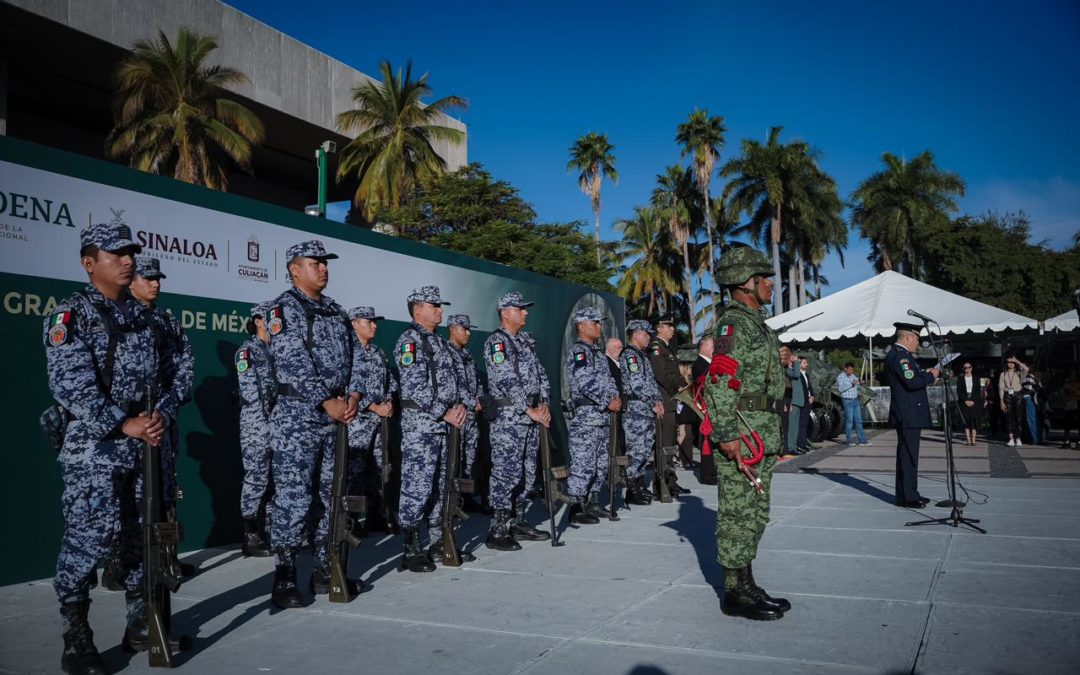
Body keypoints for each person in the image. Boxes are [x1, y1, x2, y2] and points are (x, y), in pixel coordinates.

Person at [44, 222, 166, 673]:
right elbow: (70, 385)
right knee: (87, 541)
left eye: (130, 252)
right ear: (89, 262)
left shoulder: (143, 318)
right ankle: (76, 640)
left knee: (137, 539)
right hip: (94, 448)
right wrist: (124, 423)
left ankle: (139, 626)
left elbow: (166, 379)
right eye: (116, 254)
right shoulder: (70, 315)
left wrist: (158, 416)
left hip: (143, 445)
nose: (128, 260)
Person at [266, 240, 366, 607]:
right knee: (293, 498)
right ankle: (285, 575)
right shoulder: (283, 309)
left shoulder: (337, 312)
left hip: (337, 418)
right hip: (298, 418)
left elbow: (356, 359)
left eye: (325, 263)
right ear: (295, 269)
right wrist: (327, 401)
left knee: (332, 496)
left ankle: (327, 570)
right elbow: (290, 361)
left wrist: (352, 397)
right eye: (315, 263)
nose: (323, 268)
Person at [703, 248, 789, 621]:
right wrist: (726, 434)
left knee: (754, 513)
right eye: (764, 277)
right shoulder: (733, 325)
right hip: (742, 432)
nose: (771, 283)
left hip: (761, 432)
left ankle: (746, 583)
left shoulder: (757, 324)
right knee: (738, 514)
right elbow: (720, 380)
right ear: (745, 283)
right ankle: (734, 593)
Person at [128, 256, 196, 578]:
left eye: (158, 278)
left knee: (166, 491)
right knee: (128, 497)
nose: (156, 284)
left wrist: (165, 409)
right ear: (130, 279)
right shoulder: (117, 316)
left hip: (161, 420)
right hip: (126, 426)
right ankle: (123, 564)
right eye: (148, 278)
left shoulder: (167, 321)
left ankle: (167, 558)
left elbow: (185, 365)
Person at [395, 286, 471, 569]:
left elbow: (456, 381)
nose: (440, 310)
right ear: (418, 310)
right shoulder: (410, 341)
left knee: (442, 486)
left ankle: (439, 541)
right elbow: (413, 386)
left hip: (445, 426)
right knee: (417, 486)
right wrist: (444, 411)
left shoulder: (440, 343)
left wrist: (460, 405)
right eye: (434, 305)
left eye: (440, 305)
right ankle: (411, 548)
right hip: (421, 427)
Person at [482, 291, 552, 549]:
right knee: (506, 473)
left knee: (526, 473)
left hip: (530, 417)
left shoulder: (524, 342)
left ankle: (518, 522)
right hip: (509, 419)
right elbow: (505, 379)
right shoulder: (497, 343)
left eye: (525, 308)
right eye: (520, 308)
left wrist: (544, 403)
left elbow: (541, 374)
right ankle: (498, 530)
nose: (525, 312)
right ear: (505, 312)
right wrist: (527, 409)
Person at [565, 307, 620, 524]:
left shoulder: (597, 352)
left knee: (600, 462)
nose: (600, 326)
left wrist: (615, 397)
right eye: (595, 322)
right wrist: (609, 399)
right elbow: (585, 382)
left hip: (603, 416)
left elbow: (609, 380)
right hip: (587, 415)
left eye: (600, 322)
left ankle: (593, 501)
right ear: (581, 326)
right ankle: (577, 507)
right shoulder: (579, 352)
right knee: (583, 462)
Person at [347, 306, 397, 534]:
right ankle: (351, 520)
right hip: (357, 421)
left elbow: (389, 383)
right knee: (354, 471)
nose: (374, 325)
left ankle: (376, 516)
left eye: (375, 321)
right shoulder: (347, 352)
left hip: (379, 423)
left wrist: (388, 402)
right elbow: (347, 386)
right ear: (355, 324)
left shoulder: (378, 353)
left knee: (378, 470)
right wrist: (373, 406)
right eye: (369, 321)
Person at [885, 322, 941, 508]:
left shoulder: (902, 356)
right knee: (908, 456)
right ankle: (908, 497)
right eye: (917, 339)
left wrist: (924, 374)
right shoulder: (901, 357)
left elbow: (911, 378)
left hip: (907, 412)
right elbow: (912, 382)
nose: (918, 343)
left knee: (908, 456)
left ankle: (909, 493)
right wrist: (931, 375)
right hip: (907, 413)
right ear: (908, 337)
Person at [236, 302, 276, 557]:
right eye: (269, 318)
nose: (274, 323)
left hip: (279, 424)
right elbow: (250, 392)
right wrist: (267, 417)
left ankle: (272, 531)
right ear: (259, 321)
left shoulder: (278, 351)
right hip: (257, 424)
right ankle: (251, 536)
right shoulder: (247, 352)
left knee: (276, 480)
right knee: (257, 478)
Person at [620, 320, 665, 505]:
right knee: (636, 450)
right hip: (636, 410)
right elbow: (636, 384)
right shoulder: (630, 356)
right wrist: (651, 402)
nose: (649, 338)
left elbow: (651, 383)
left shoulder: (642, 357)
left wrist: (658, 401)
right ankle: (632, 489)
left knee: (645, 449)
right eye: (646, 335)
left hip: (647, 409)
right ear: (637, 334)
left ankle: (638, 486)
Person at [649, 315, 686, 452]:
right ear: (659, 329)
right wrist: (677, 388)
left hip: (671, 398)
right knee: (665, 438)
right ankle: (663, 471)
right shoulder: (656, 348)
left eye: (672, 326)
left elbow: (675, 373)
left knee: (670, 437)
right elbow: (661, 374)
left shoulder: (667, 348)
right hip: (664, 397)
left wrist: (684, 385)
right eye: (669, 326)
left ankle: (668, 468)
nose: (673, 329)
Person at [691, 337, 717, 484]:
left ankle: (712, 471)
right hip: (705, 407)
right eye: (712, 346)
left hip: (711, 407)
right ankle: (708, 475)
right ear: (704, 347)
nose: (714, 350)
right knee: (707, 442)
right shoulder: (699, 364)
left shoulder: (708, 363)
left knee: (712, 441)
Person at [836, 362, 869, 446]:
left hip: (855, 400)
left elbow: (856, 387)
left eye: (852, 370)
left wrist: (861, 384)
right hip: (847, 400)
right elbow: (840, 389)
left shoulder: (853, 376)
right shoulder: (840, 377)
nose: (851, 371)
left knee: (858, 421)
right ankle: (849, 441)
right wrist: (852, 383)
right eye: (850, 369)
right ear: (845, 369)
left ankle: (862, 440)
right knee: (849, 421)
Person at [999, 356, 1028, 447]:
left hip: (1018, 395)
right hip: (1007, 396)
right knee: (1008, 417)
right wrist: (1001, 401)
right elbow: (1001, 388)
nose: (1010, 363)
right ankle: (1011, 438)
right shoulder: (1003, 374)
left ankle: (1018, 438)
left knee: (1018, 417)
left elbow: (1026, 369)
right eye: (1008, 362)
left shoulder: (1019, 373)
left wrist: (1017, 360)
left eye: (1012, 362)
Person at [785, 356, 810, 455]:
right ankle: (791, 447)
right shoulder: (789, 370)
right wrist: (795, 362)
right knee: (793, 427)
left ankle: (794, 446)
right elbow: (795, 374)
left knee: (796, 427)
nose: (796, 361)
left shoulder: (797, 370)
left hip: (799, 402)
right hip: (794, 402)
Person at [955, 361, 983, 446]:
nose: (967, 369)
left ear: (972, 368)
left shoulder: (976, 378)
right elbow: (959, 391)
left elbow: (978, 391)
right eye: (965, 367)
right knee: (966, 421)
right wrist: (965, 401)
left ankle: (974, 440)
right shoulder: (960, 378)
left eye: (969, 367)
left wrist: (973, 400)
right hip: (964, 401)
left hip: (974, 401)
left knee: (973, 421)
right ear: (963, 369)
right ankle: (968, 440)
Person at [1021, 368, 1041, 445]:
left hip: (1028, 398)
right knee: (1032, 419)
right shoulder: (1032, 376)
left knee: (1030, 419)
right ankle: (1034, 438)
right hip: (1031, 399)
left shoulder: (1029, 376)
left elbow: (1028, 389)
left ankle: (1034, 439)